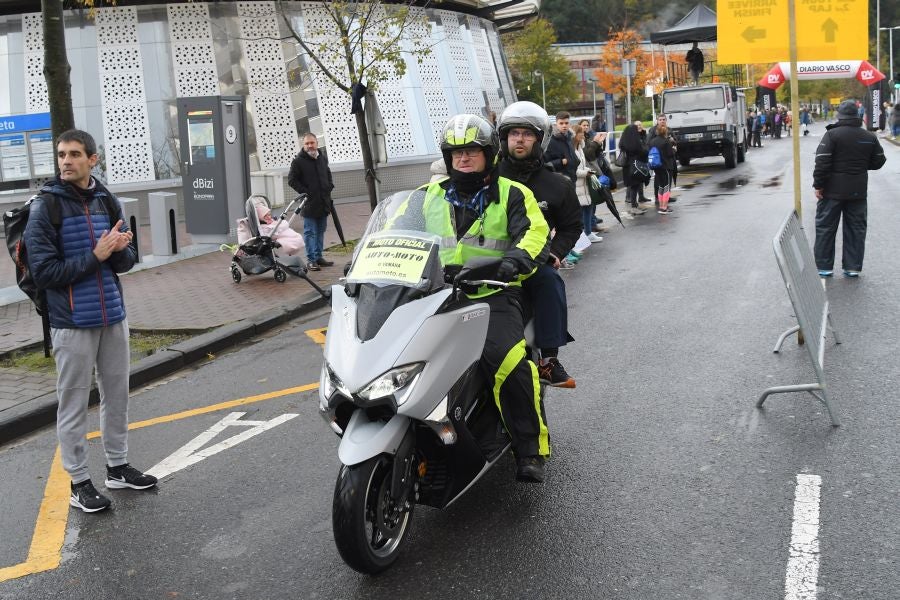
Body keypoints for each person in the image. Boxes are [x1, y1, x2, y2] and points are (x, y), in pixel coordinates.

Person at [393, 114, 552, 482]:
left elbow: (534, 234)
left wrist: (511, 263)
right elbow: (393, 231)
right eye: (455, 153)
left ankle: (530, 448)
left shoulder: (513, 194)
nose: (463, 159)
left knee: (508, 360)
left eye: (471, 151)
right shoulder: (424, 197)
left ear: (489, 154)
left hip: (491, 294)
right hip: (431, 295)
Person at [24, 129, 157, 514]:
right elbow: (45, 272)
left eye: (75, 154)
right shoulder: (45, 208)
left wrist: (119, 251)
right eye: (62, 154)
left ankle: (117, 468)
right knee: (74, 403)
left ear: (92, 159)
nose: (66, 161)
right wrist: (97, 255)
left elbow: (127, 261)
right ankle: (79, 481)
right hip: (70, 322)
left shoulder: (106, 199)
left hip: (112, 315)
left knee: (117, 396)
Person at [497, 101, 582, 388]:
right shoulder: (488, 178)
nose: (519, 139)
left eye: (526, 133)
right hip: (488, 259)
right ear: (504, 139)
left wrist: (556, 252)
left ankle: (548, 360)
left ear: (539, 138)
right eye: (513, 134)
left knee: (550, 280)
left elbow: (572, 225)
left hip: (532, 263)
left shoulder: (556, 184)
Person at [812, 100, 886, 278]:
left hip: (831, 191)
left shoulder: (832, 135)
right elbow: (879, 161)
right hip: (858, 191)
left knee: (825, 228)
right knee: (856, 229)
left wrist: (818, 185)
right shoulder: (869, 136)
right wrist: (860, 166)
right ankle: (852, 267)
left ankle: (824, 267)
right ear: (858, 116)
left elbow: (822, 162)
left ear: (840, 116)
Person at [288, 132, 335, 272]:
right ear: (303, 145)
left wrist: (329, 186)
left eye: (312, 143)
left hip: (323, 201)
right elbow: (292, 180)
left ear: (317, 143)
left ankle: (319, 256)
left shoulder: (322, 158)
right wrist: (305, 192)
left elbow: (327, 173)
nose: (309, 145)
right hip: (309, 203)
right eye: (307, 143)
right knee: (310, 232)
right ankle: (311, 260)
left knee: (321, 231)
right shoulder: (298, 161)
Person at [572, 125, 604, 242]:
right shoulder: (571, 150)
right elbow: (573, 170)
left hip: (584, 183)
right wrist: (586, 173)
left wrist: (587, 172)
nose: (582, 135)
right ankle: (581, 236)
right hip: (577, 184)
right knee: (580, 210)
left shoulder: (580, 148)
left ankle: (588, 232)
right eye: (580, 133)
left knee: (588, 207)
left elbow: (584, 163)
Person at [618, 123, 649, 216]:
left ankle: (634, 205)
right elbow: (644, 151)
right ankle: (634, 207)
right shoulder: (635, 143)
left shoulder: (623, 142)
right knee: (635, 187)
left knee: (632, 187)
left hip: (627, 167)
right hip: (635, 167)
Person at [543, 111, 579, 183]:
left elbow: (572, 158)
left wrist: (576, 161)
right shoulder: (550, 141)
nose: (564, 126)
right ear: (556, 124)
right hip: (559, 182)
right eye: (561, 123)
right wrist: (560, 162)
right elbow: (544, 164)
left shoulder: (569, 138)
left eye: (566, 123)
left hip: (572, 179)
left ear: (569, 124)